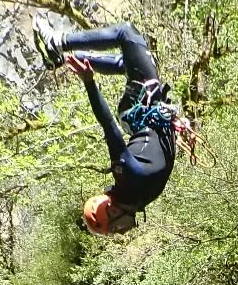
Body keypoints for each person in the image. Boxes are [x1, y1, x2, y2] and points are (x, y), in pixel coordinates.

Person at [33, 17, 177, 235]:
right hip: (147, 116)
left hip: (138, 108)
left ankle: (58, 42)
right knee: (128, 63)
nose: (122, 232)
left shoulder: (126, 175)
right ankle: (64, 59)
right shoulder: (138, 199)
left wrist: (90, 83)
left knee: (126, 34)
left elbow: (108, 124)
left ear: (111, 210)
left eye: (115, 227)